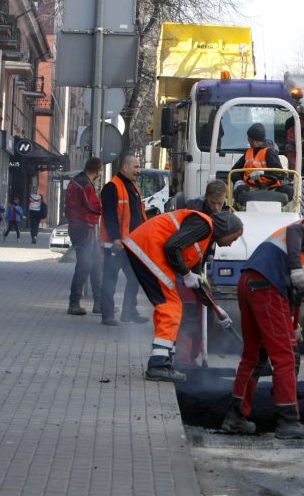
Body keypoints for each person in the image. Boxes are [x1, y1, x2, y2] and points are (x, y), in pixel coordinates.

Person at [222, 210, 304, 438]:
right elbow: (295, 232)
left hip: (250, 281)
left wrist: (292, 325)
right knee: (285, 356)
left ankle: (235, 417)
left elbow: (296, 291)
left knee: (254, 355)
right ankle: (288, 421)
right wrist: (295, 269)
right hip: (267, 287)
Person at [123, 209, 244, 383]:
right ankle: (158, 365)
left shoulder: (203, 239)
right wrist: (186, 274)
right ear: (226, 229)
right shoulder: (204, 225)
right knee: (170, 306)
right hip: (149, 248)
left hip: (146, 247)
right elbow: (172, 247)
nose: (231, 244)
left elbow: (196, 277)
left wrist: (216, 308)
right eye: (233, 238)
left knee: (171, 305)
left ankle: (164, 359)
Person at [176, 179, 231, 366]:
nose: (216, 207)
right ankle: (183, 358)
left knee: (203, 312)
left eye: (220, 203)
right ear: (206, 198)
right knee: (188, 313)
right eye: (213, 203)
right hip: (184, 267)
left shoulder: (224, 211)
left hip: (200, 266)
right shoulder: (194, 211)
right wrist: (189, 273)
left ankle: (194, 355)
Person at [99, 155, 148, 326]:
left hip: (130, 245)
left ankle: (129, 312)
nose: (138, 170)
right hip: (116, 245)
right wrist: (115, 238)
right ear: (125, 167)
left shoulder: (131, 186)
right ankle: (107, 314)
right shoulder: (112, 187)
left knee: (135, 277)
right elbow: (110, 215)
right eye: (135, 167)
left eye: (139, 166)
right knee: (110, 279)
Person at [66, 158, 104, 316]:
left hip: (80, 227)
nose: (101, 174)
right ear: (96, 170)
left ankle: (99, 303)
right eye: (100, 170)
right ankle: (74, 303)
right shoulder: (85, 184)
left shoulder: (77, 181)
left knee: (95, 264)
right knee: (85, 265)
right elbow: (93, 206)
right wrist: (106, 205)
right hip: (83, 228)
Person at [231, 123, 293, 206]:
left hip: (271, 189)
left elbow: (280, 173)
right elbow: (234, 171)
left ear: (251, 139)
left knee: (288, 190)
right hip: (250, 189)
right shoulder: (248, 153)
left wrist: (263, 173)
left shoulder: (269, 152)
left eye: (248, 137)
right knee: (238, 190)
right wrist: (239, 182)